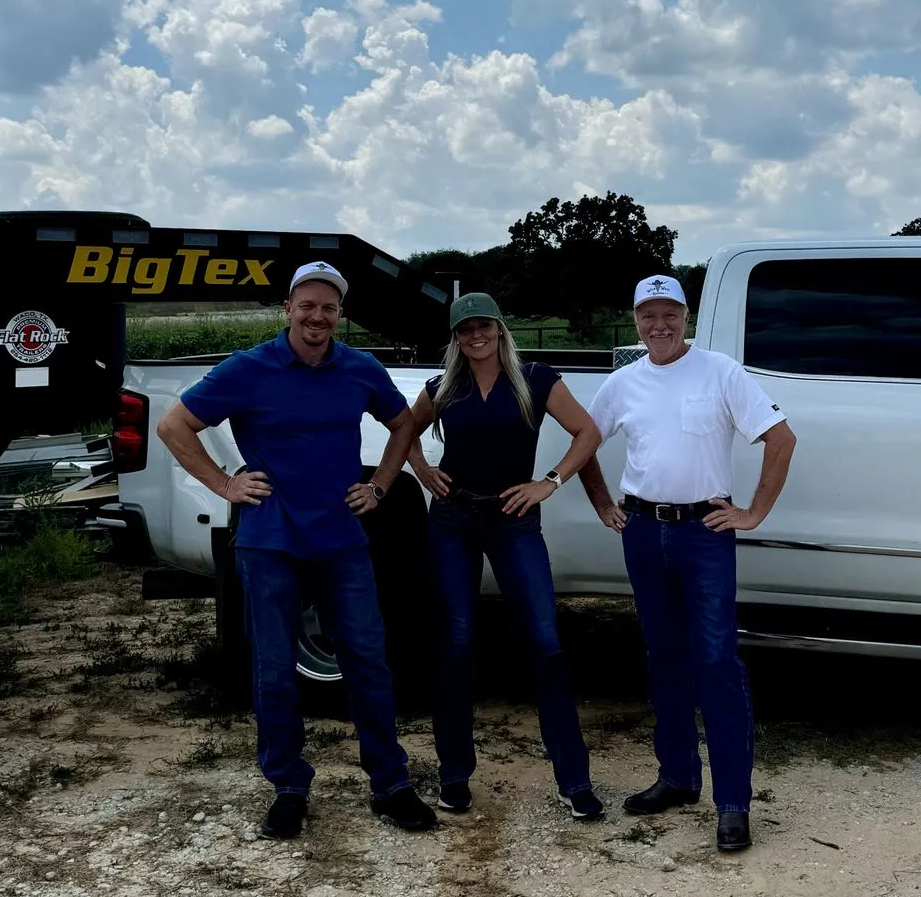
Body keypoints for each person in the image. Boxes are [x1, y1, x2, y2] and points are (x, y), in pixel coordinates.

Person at [156, 261, 437, 839]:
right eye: (306, 305)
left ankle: (390, 783)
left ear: (340, 314)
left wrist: (381, 483)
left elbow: (404, 423)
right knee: (276, 669)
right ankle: (288, 786)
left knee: (367, 662)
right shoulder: (248, 369)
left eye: (329, 307)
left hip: (340, 538)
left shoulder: (359, 368)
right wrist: (224, 483)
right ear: (288, 309)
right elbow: (173, 427)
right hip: (270, 540)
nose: (317, 316)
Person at [577, 274, 796, 852]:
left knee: (717, 661)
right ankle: (677, 776)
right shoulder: (624, 382)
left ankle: (732, 803)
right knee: (664, 659)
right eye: (648, 315)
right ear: (635, 322)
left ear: (686, 316)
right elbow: (584, 440)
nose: (660, 325)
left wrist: (753, 513)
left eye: (669, 313)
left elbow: (781, 438)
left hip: (704, 532)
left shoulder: (720, 371)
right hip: (644, 532)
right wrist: (602, 501)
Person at [407, 292, 605, 820]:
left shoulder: (536, 378)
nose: (476, 336)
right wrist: (424, 471)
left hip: (514, 518)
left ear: (500, 329)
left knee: (544, 639)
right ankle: (453, 777)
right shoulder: (443, 386)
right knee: (456, 641)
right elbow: (402, 430)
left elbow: (588, 432)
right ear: (455, 337)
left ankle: (574, 780)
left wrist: (549, 482)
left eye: (485, 326)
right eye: (465, 328)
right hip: (453, 519)